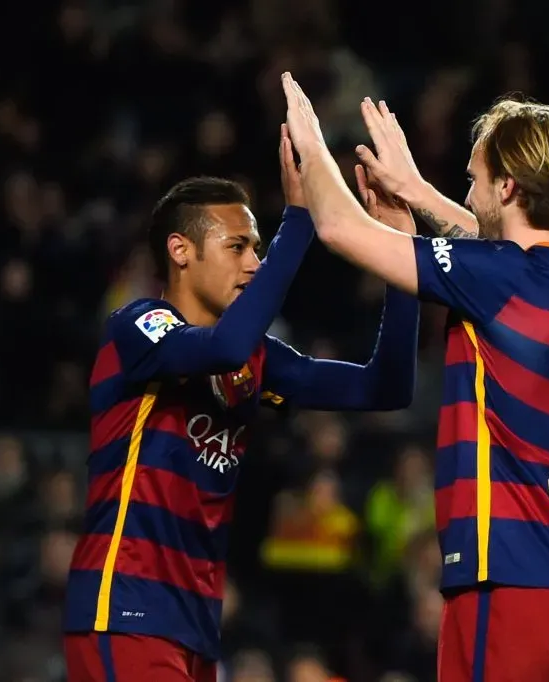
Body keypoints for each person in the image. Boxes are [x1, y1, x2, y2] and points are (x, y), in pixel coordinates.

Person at [280, 73, 549, 682]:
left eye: (473, 181)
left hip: (506, 575)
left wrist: (313, 145)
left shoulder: (498, 279)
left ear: (509, 184)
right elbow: (500, 254)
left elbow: (341, 228)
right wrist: (417, 192)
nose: (467, 198)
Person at [61, 125, 420, 682]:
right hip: (124, 608)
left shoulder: (256, 360)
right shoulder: (138, 327)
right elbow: (224, 347)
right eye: (238, 247)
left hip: (197, 624)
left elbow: (386, 388)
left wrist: (402, 260)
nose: (254, 263)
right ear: (180, 251)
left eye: (257, 247)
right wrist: (298, 222)